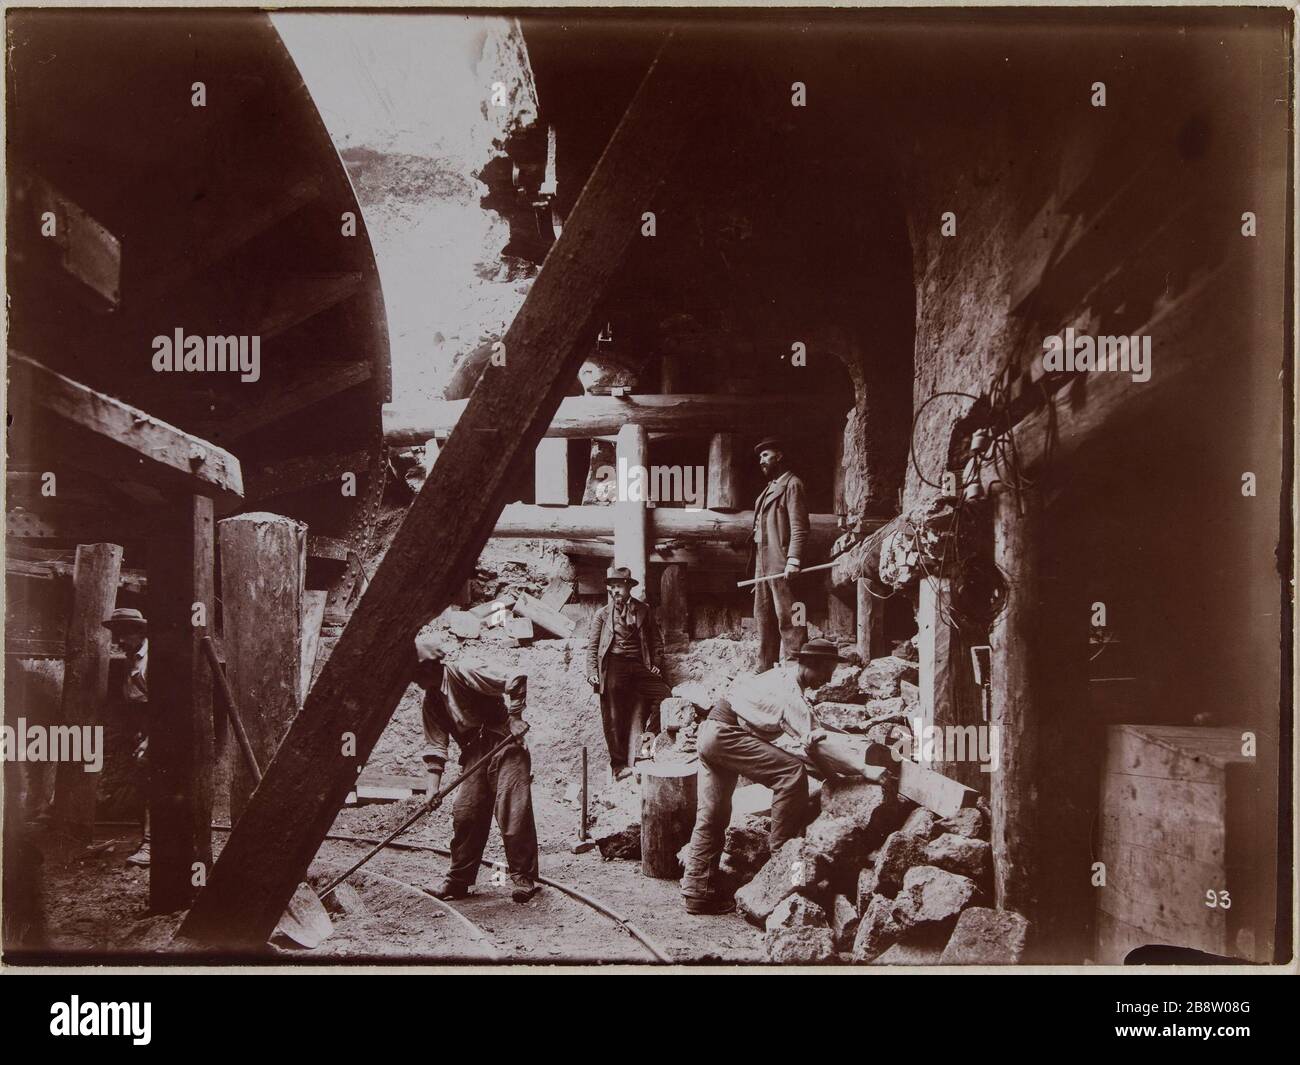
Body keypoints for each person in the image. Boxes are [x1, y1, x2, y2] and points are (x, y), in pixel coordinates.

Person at [680, 638, 844, 915]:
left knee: (713, 815)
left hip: (711, 733)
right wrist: (839, 777)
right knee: (792, 774)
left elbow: (798, 734)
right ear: (811, 666)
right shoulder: (790, 693)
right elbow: (814, 748)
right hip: (726, 735)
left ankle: (697, 893)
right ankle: (784, 859)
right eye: (826, 671)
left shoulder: (778, 677)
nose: (828, 680)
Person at [414, 633, 541, 904]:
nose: (415, 681)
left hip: (503, 743)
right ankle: (458, 880)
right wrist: (432, 791)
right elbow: (436, 747)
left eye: (417, 673)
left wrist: (516, 717)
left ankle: (523, 877)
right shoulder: (431, 701)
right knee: (466, 813)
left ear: (431, 665)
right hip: (473, 754)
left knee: (511, 809)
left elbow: (516, 678)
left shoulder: (464, 670)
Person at [585, 566, 671, 781]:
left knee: (664, 696)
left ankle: (645, 752)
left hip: (639, 664)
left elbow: (656, 641)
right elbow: (593, 646)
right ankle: (619, 765)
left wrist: (657, 663)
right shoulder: (603, 615)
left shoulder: (643, 610)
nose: (615, 591)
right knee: (614, 714)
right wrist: (592, 672)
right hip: (614, 664)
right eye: (612, 587)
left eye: (618, 587)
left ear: (628, 588)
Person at [750, 436, 811, 673]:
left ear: (780, 456)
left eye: (766, 455)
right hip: (764, 564)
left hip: (782, 561)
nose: (761, 461)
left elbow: (800, 527)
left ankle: (796, 665)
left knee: (792, 613)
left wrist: (794, 559)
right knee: (763, 615)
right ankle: (764, 666)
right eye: (760, 457)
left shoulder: (793, 484)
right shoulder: (769, 488)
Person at [102, 608, 150, 867]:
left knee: (155, 782)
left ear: (140, 632)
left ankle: (152, 845)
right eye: (117, 634)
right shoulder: (131, 658)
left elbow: (166, 704)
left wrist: (150, 739)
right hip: (141, 726)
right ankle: (147, 840)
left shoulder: (152, 658)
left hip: (164, 727)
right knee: (143, 783)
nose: (119, 640)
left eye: (124, 634)